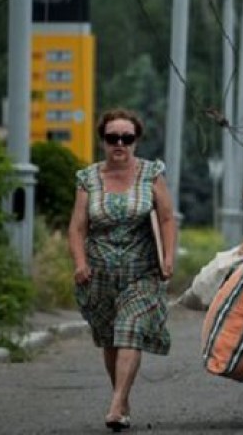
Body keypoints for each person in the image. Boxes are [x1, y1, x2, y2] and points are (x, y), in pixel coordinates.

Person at [67, 108, 176, 432]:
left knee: (130, 328)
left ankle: (115, 405)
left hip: (141, 272)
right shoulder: (88, 178)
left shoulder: (151, 174)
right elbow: (76, 228)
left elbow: (167, 218)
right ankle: (123, 399)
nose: (119, 144)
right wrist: (80, 263)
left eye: (126, 138)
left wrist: (168, 256)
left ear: (136, 141)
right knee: (110, 339)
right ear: (103, 140)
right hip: (98, 275)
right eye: (112, 137)